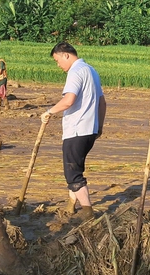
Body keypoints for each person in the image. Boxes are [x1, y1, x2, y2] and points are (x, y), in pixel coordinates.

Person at [41, 42, 106, 221]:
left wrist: (49, 111)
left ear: (66, 55)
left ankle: (88, 213)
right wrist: (99, 126)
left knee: (73, 175)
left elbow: (68, 100)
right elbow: (102, 102)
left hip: (76, 130)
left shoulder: (75, 72)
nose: (58, 65)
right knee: (74, 167)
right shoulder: (92, 71)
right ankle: (71, 206)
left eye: (57, 60)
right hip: (90, 130)